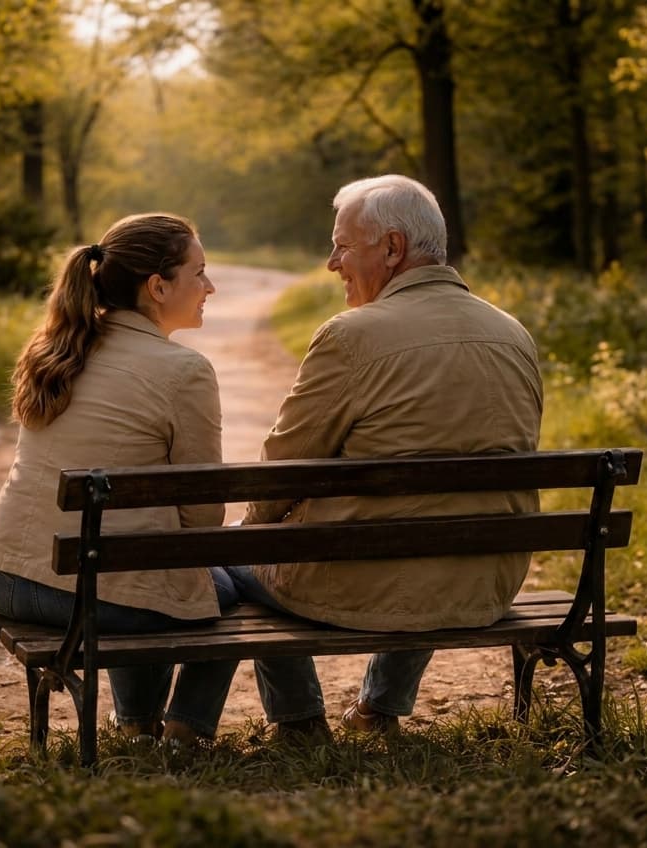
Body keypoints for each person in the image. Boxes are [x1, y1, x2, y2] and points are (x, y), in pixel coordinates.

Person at [228, 175, 544, 737]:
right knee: (430, 521)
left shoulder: (353, 336)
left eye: (343, 246)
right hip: (486, 579)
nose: (332, 263)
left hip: (374, 580)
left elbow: (283, 468)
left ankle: (299, 719)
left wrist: (255, 536)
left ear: (393, 248)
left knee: (238, 558)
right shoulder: (512, 333)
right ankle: (378, 710)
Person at [0, 212, 237, 746]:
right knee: (227, 587)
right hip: (89, 595)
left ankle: (138, 723)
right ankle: (186, 729)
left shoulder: (54, 348)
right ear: (158, 287)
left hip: (5, 576)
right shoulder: (183, 371)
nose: (209, 286)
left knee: (142, 566)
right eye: (199, 272)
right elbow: (204, 517)